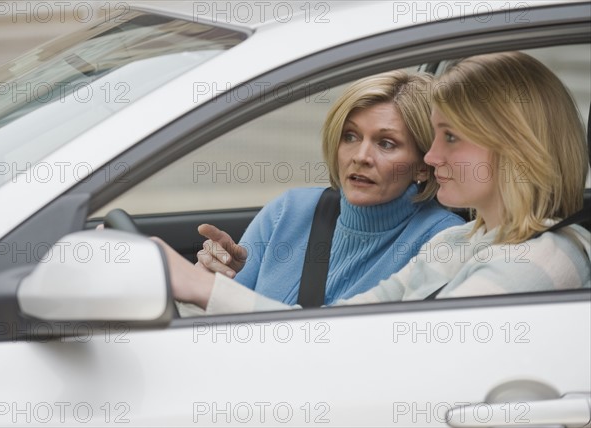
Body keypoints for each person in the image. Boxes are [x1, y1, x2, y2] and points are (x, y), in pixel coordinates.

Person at [158, 51, 590, 313]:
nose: (434, 155)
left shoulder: (547, 260)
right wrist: (202, 287)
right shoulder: (458, 242)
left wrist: (200, 287)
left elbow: (389, 360)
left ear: (515, 146)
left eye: (451, 137)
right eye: (350, 136)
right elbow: (337, 325)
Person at [193, 70, 464, 306]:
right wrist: (214, 280)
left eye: (386, 143)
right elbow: (218, 323)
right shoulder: (288, 211)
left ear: (422, 165)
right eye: (350, 136)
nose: (361, 156)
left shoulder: (443, 239)